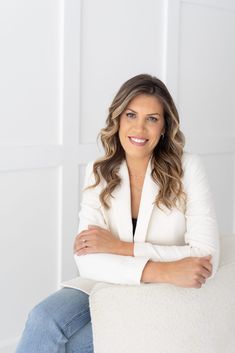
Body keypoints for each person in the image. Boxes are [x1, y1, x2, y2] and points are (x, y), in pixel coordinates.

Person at [15, 74, 220, 353]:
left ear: (164, 127)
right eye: (131, 115)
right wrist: (161, 269)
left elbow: (206, 255)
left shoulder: (188, 169)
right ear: (118, 120)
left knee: (78, 345)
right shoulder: (99, 172)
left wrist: (119, 247)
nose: (140, 127)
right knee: (43, 320)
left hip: (165, 294)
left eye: (152, 118)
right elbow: (87, 258)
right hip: (109, 280)